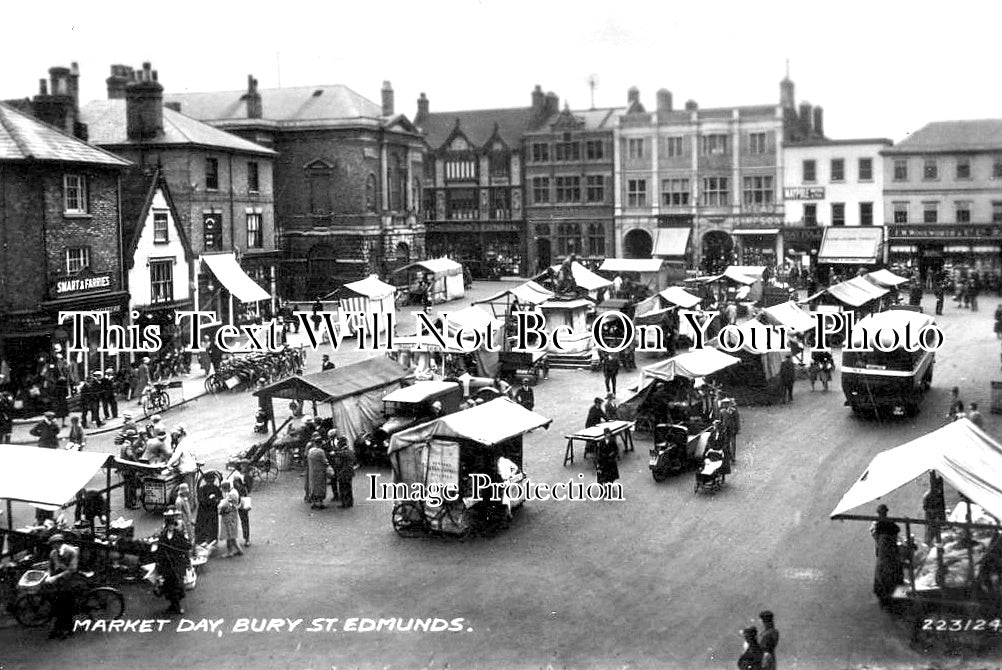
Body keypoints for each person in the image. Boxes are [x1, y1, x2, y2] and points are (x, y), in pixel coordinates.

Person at [44, 534, 81, 640]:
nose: (52, 547)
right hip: (58, 583)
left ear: (58, 543)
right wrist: (48, 575)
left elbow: (72, 570)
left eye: (53, 544)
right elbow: (50, 567)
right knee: (58, 605)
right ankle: (58, 628)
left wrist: (55, 578)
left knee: (66, 606)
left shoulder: (71, 552)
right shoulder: (53, 553)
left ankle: (68, 630)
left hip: (70, 581)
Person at [155, 509, 192, 615]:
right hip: (167, 564)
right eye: (169, 525)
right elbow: (160, 550)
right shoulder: (163, 535)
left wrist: (187, 561)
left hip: (177, 563)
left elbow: (186, 547)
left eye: (172, 525)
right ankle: (173, 605)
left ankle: (177, 606)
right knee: (169, 586)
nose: (171, 527)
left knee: (178, 585)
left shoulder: (179, 534)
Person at [870, 504, 903, 609]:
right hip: (887, 552)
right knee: (892, 573)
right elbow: (897, 530)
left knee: (884, 574)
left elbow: (896, 530)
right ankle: (895, 598)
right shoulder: (882, 524)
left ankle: (889, 599)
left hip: (885, 552)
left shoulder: (878, 524)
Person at [165, 429, 199, 505]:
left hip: (186, 470)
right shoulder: (188, 442)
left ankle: (189, 508)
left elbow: (175, 457)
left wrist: (168, 465)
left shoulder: (181, 445)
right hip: (193, 467)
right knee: (193, 489)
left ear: (178, 437)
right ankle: (194, 505)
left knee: (188, 490)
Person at [326, 431, 356, 508]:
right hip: (350, 473)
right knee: (349, 488)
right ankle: (350, 502)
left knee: (343, 488)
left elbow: (340, 455)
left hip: (343, 472)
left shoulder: (343, 452)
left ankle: (344, 503)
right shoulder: (350, 451)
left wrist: (334, 453)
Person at [195, 472, 222, 546]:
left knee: (211, 526)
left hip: (210, 511)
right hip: (205, 511)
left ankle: (212, 539)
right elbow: (201, 500)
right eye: (209, 480)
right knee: (204, 526)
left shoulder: (215, 488)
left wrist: (215, 500)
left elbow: (220, 498)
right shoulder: (202, 489)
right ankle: (202, 540)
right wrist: (212, 501)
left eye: (212, 480)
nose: (210, 482)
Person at [217, 483, 243, 557]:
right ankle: (239, 550)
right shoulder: (234, 492)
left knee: (229, 534)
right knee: (232, 534)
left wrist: (220, 506)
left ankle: (230, 551)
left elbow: (226, 505)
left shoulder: (231, 495)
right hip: (232, 515)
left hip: (229, 516)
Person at [922, 473, 946, 546]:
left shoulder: (939, 494)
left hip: (938, 519)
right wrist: (934, 512)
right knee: (929, 534)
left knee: (939, 536)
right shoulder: (927, 495)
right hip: (931, 518)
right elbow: (925, 508)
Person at [306, 435, 329, 509]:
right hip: (320, 471)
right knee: (320, 487)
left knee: (313, 486)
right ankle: (320, 503)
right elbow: (324, 461)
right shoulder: (321, 452)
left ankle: (313, 503)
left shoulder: (310, 451)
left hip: (312, 471)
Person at [230, 470, 251, 547]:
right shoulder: (239, 488)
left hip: (239, 505)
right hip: (237, 504)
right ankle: (245, 538)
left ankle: (245, 538)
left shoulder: (240, 489)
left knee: (242, 520)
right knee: (243, 520)